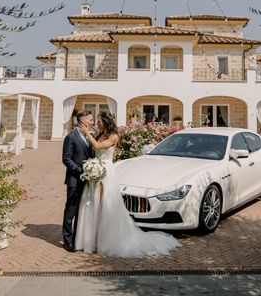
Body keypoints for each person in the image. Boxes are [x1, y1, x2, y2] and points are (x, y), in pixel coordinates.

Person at [75, 112, 180, 257]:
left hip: (106, 173)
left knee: (104, 204)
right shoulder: (100, 134)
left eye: (99, 121)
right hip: (96, 171)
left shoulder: (113, 136)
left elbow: (99, 147)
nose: (97, 123)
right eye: (97, 121)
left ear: (106, 122)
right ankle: (92, 239)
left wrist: (87, 133)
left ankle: (105, 240)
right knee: (93, 204)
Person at [62, 110, 95, 252]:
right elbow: (66, 159)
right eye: (90, 119)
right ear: (83, 121)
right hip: (74, 180)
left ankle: (77, 239)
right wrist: (80, 171)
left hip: (87, 181)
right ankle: (67, 241)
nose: (92, 122)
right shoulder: (71, 137)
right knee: (71, 211)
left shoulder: (89, 136)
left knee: (82, 211)